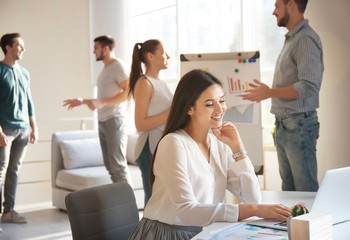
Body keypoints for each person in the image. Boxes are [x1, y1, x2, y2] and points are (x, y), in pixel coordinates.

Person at [129, 69, 291, 239]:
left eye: (222, 101)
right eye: (209, 104)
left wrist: (238, 149)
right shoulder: (174, 143)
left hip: (206, 232)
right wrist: (251, 210)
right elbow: (185, 210)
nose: (219, 109)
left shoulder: (219, 144)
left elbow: (253, 199)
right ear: (189, 108)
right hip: (168, 234)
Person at [241, 0, 323, 192]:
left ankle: (308, 223)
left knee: (304, 190)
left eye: (277, 5)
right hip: (287, 125)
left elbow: (308, 86)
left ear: (291, 5)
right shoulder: (293, 40)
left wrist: (268, 92)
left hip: (298, 126)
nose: (273, 12)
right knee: (290, 191)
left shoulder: (304, 39)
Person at [63, 35, 132, 185]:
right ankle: (120, 202)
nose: (93, 51)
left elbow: (128, 92)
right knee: (111, 167)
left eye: (96, 48)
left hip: (115, 120)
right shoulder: (106, 69)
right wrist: (83, 101)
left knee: (118, 166)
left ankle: (128, 206)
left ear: (105, 49)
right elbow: (104, 100)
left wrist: (102, 103)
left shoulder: (118, 66)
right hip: (103, 121)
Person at [128, 39, 172, 206]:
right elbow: (140, 124)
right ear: (150, 56)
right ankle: (148, 232)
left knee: (161, 196)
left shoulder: (161, 84)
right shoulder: (144, 83)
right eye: (164, 52)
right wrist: (171, 112)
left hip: (159, 145)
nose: (168, 56)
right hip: (148, 147)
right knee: (153, 197)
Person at [0, 33, 39, 224]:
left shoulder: (25, 72)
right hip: (4, 130)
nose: (23, 49)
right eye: (19, 45)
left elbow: (29, 101)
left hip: (23, 129)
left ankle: (9, 211)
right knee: (0, 171)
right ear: (8, 47)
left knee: (14, 170)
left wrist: (34, 127)